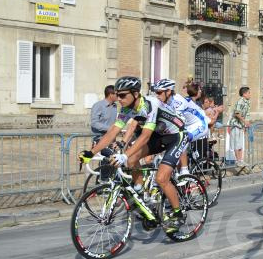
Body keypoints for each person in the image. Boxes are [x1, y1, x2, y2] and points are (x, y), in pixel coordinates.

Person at [79, 76, 188, 233]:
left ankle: (178, 214)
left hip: (176, 136)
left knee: (161, 178)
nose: (119, 99)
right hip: (159, 136)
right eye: (117, 95)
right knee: (132, 160)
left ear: (135, 94)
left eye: (122, 95)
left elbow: (144, 137)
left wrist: (123, 155)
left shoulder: (151, 104)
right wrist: (91, 152)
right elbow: (112, 132)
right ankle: (139, 193)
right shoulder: (126, 109)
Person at [229, 87, 251, 165]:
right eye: (248, 93)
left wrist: (246, 124)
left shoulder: (247, 102)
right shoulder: (240, 101)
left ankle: (241, 160)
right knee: (236, 143)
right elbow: (237, 113)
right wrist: (244, 121)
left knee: (240, 143)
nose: (250, 94)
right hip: (235, 124)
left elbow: (247, 114)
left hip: (241, 125)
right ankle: (238, 160)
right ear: (244, 94)